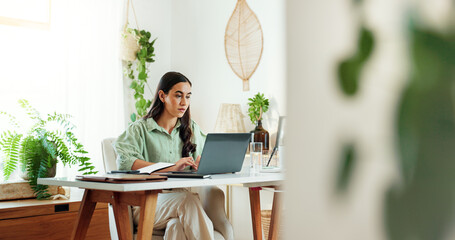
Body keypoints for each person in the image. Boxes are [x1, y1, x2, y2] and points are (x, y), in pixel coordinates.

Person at [113, 71, 214, 240]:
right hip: (145, 203)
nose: (184, 102)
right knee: (187, 201)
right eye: (178, 95)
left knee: (176, 227)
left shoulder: (191, 129)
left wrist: (203, 164)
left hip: (177, 202)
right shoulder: (139, 129)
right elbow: (124, 161)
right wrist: (171, 167)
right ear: (162, 95)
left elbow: (206, 155)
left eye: (188, 97)